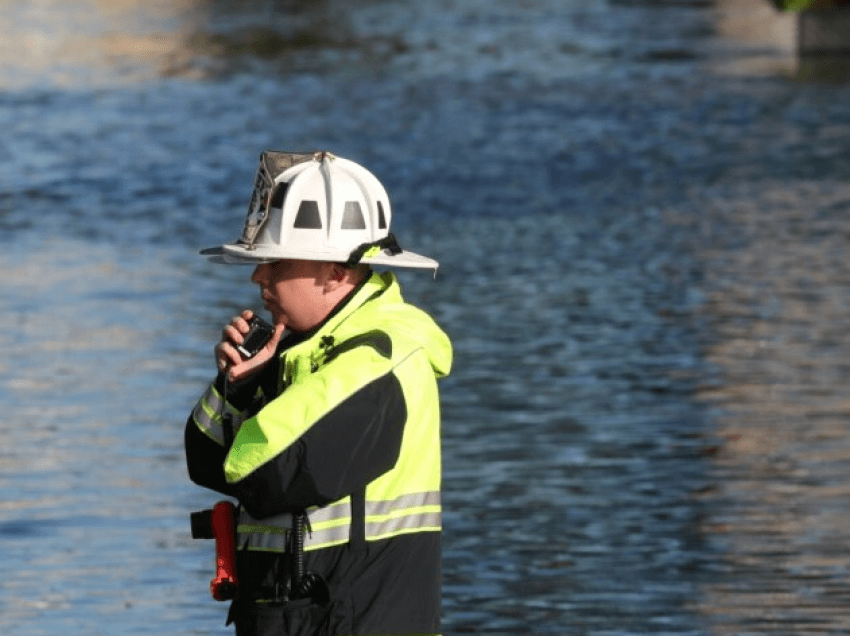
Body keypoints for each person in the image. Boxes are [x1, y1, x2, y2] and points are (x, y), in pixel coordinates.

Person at [184, 150, 453, 636]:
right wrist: (236, 387)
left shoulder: (378, 359)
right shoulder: (303, 352)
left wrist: (261, 388)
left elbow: (257, 472)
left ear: (335, 270)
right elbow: (204, 463)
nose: (258, 276)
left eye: (276, 261)